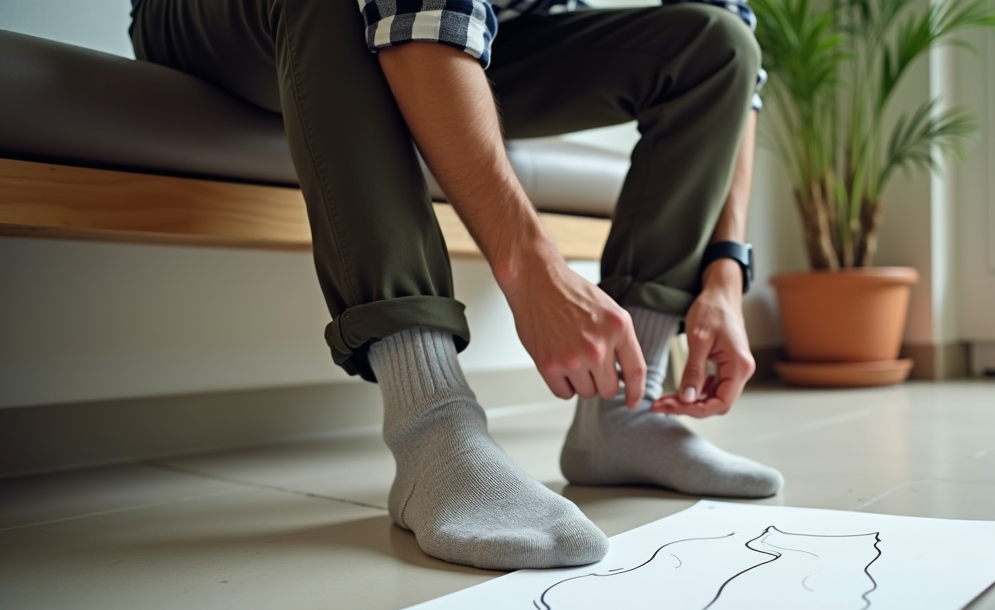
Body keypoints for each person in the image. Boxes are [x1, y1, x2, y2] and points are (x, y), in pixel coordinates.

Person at [129, 0, 783, 571]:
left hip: (488, 31)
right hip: (229, 18)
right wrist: (532, 267)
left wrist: (725, 272)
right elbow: (409, 12)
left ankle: (624, 416)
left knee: (714, 44)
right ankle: (431, 426)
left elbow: (733, 44)